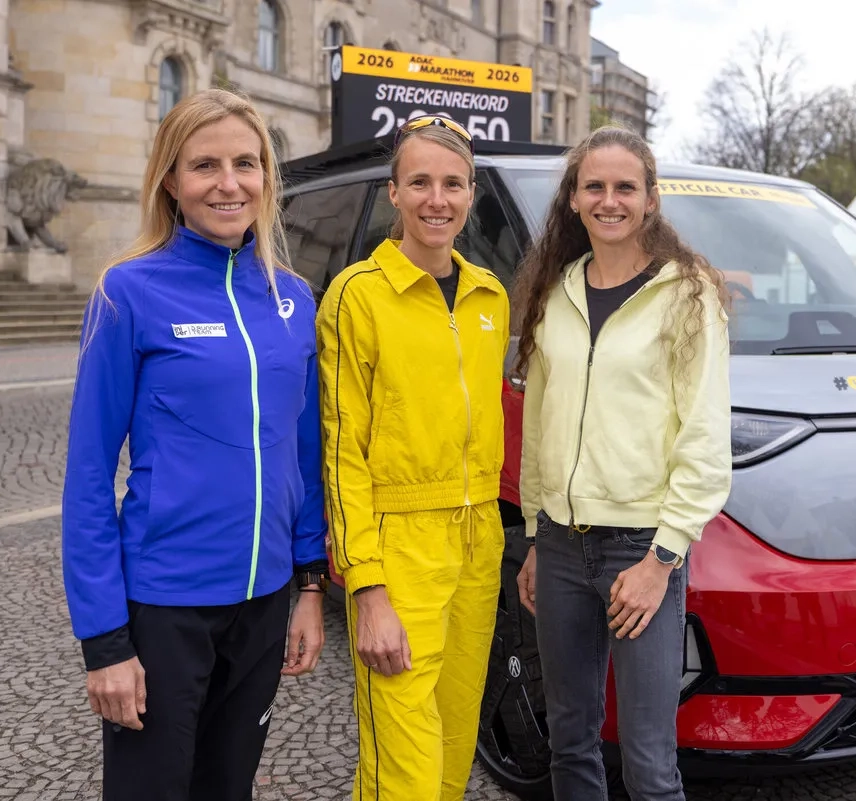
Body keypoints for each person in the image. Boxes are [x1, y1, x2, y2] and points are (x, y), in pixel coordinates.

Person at [61, 88, 329, 801]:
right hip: (164, 605)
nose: (229, 182)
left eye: (247, 163)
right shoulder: (128, 291)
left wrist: (309, 587)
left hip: (265, 600)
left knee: (227, 790)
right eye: (205, 165)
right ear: (171, 181)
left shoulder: (293, 298)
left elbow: (302, 455)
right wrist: (106, 643)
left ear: (268, 178)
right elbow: (88, 475)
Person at [511, 125, 733, 801]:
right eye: (595, 186)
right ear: (574, 198)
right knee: (570, 738)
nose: (610, 200)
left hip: (641, 549)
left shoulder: (688, 295)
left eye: (625, 187)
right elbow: (540, 423)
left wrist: (661, 560)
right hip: (557, 543)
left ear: (651, 199)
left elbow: (703, 437)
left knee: (648, 759)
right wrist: (533, 535)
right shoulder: (557, 290)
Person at [316, 115, 510, 801]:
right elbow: (341, 452)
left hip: (477, 542)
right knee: (403, 771)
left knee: (453, 751)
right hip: (399, 552)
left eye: (453, 183)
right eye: (420, 181)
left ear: (471, 193)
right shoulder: (358, 296)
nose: (438, 198)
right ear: (394, 192)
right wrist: (366, 588)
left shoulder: (491, 295)